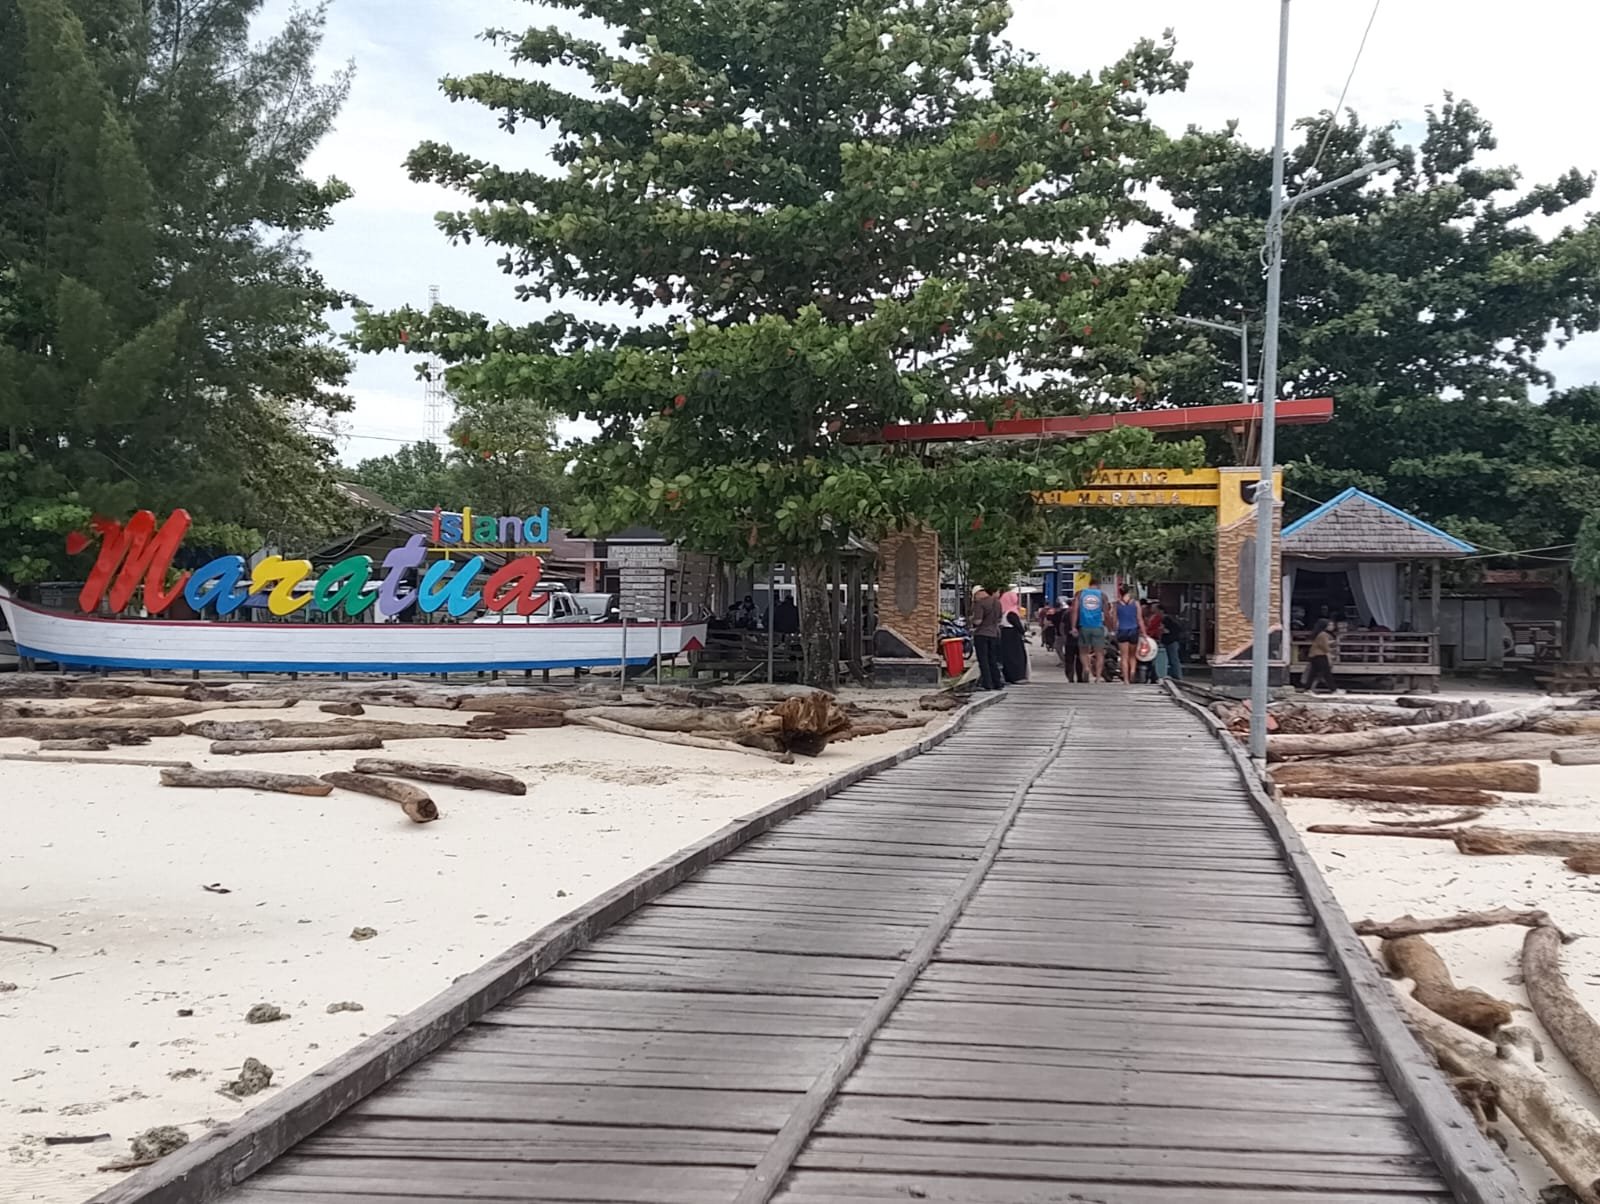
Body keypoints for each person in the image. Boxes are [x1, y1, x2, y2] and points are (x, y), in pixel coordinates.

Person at [1070, 576, 1109, 682]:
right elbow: (1106, 613)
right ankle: (1098, 677)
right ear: (1098, 585)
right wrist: (1110, 627)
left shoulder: (1080, 594)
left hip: (1084, 626)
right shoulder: (1102, 595)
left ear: (1089, 584)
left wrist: (1073, 627)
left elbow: (1075, 611)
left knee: (1083, 651)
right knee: (1099, 653)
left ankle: (1086, 667)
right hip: (1098, 627)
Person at [970, 585, 1004, 691]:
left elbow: (978, 621)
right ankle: (997, 683)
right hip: (994, 634)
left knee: (983, 660)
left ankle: (987, 684)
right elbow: (999, 619)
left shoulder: (980, 603)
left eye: (974, 596)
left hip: (982, 634)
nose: (975, 598)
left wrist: (971, 619)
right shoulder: (997, 602)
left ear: (977, 593)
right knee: (993, 659)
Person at [1113, 584, 1146, 688]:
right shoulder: (1136, 603)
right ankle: (1132, 671)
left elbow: (1114, 619)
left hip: (1122, 630)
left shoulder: (1116, 604)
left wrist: (1114, 630)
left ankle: (1126, 679)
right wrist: (1144, 633)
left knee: (1124, 656)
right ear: (1129, 592)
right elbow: (1139, 619)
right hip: (1133, 630)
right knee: (1132, 655)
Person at [999, 590, 1028, 683]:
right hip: (1013, 638)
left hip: (1005, 636)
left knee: (1007, 657)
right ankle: (1017, 677)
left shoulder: (1005, 612)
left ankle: (1009, 676)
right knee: (1016, 657)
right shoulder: (1012, 613)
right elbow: (1019, 627)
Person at [1303, 618, 1337, 693]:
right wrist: (1331, 652)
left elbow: (1320, 643)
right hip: (1320, 655)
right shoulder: (1323, 634)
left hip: (1314, 655)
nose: (1331, 626)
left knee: (1313, 673)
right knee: (1326, 673)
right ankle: (1333, 689)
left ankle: (1307, 688)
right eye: (1329, 625)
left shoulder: (1319, 633)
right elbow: (1324, 646)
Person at [1160, 605, 1186, 681]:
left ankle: (1177, 676)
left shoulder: (1167, 620)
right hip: (1170, 641)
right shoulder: (1165, 619)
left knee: (1174, 659)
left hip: (1171, 641)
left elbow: (1173, 629)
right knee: (1171, 659)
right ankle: (1174, 675)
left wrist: (1166, 631)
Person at [1142, 600, 1166, 682]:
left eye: (1154, 607)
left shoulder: (1157, 617)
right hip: (1147, 637)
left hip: (1153, 638)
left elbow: (1154, 628)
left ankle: (1154, 675)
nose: (1151, 608)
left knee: (1152, 657)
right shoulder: (1149, 617)